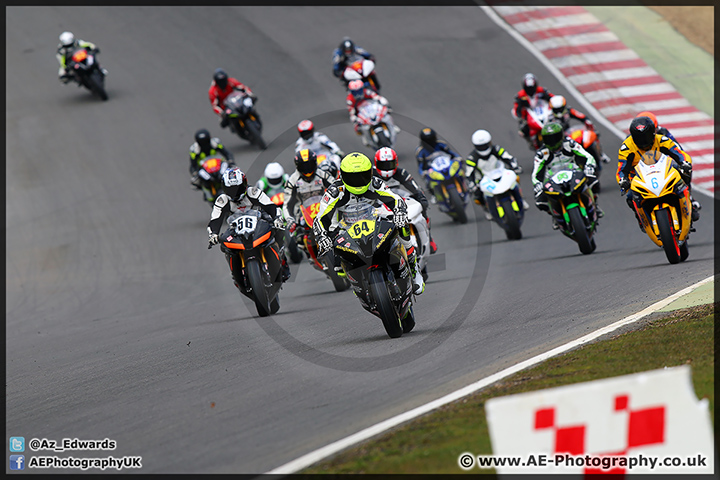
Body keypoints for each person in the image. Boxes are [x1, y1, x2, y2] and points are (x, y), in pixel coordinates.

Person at [313, 152, 425, 295]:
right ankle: (358, 284)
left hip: (375, 220)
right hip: (346, 229)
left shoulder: (375, 183)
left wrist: (400, 213)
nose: (358, 181)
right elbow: (320, 218)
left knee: (402, 224)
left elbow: (395, 199)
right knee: (338, 267)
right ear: (343, 175)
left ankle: (413, 266)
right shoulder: (335, 191)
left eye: (363, 175)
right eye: (353, 177)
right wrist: (322, 236)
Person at [207, 167, 291, 282]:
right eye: (231, 190)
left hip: (258, 221)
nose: (235, 193)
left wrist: (277, 218)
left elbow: (271, 206)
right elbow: (215, 219)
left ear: (244, 184)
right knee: (225, 244)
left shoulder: (253, 192)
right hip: (236, 228)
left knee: (277, 229)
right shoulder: (222, 200)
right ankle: (236, 274)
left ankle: (282, 261)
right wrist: (213, 234)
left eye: (238, 188)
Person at [617, 116, 700, 228]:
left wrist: (685, 163)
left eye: (646, 137)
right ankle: (641, 218)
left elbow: (679, 153)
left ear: (653, 133)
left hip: (663, 170)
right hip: (639, 177)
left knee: (683, 174)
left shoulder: (662, 139)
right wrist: (622, 180)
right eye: (639, 138)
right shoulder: (626, 147)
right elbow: (621, 168)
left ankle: (688, 201)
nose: (644, 142)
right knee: (630, 196)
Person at [531, 122, 601, 229]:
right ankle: (554, 215)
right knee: (540, 201)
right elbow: (536, 173)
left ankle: (595, 204)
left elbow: (587, 156)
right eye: (549, 139)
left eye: (555, 138)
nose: (553, 141)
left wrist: (589, 166)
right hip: (554, 179)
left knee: (593, 181)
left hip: (574, 173)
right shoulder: (542, 154)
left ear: (561, 136)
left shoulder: (570, 144)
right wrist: (537, 184)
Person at [373, 147, 438, 254]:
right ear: (376, 163)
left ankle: (429, 238)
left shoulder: (401, 173)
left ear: (396, 162)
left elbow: (415, 187)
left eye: (390, 164)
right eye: (383, 165)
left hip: (397, 196)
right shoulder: (371, 174)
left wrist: (421, 197)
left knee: (422, 206)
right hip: (378, 200)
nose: (387, 168)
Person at [465, 129, 527, 220]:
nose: (484, 148)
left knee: (515, 178)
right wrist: (471, 184)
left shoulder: (496, 149)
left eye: (485, 145)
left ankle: (521, 198)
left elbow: (508, 157)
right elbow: (469, 172)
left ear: (489, 142)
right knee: (477, 194)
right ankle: (485, 208)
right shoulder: (471, 158)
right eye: (481, 146)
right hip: (484, 178)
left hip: (501, 172)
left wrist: (515, 166)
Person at [283, 149, 335, 239]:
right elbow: (287, 204)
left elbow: (336, 187)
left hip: (323, 209)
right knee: (296, 237)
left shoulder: (323, 175)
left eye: (309, 165)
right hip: (302, 214)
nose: (307, 169)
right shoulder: (292, 181)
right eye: (304, 167)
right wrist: (289, 219)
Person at [550, 95, 610, 165]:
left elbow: (582, 116)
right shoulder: (550, 118)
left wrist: (588, 123)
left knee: (593, 135)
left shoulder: (569, 111)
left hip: (570, 133)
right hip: (560, 137)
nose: (558, 112)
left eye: (560, 109)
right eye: (556, 110)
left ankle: (601, 154)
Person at [512, 73, 554, 150]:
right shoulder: (520, 96)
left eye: (532, 88)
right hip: (528, 114)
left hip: (541, 110)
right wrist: (521, 116)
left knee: (556, 119)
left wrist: (548, 98)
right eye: (528, 89)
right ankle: (530, 141)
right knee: (523, 130)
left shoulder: (542, 90)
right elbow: (516, 110)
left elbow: (553, 99)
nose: (530, 91)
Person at [414, 127, 463, 193]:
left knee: (460, 172)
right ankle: (434, 194)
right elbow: (420, 166)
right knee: (428, 183)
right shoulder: (420, 151)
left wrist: (458, 158)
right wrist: (423, 173)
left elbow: (451, 153)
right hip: (432, 170)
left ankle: (464, 185)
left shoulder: (441, 144)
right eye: (427, 141)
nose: (430, 142)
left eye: (431, 139)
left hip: (446, 164)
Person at [346, 80, 393, 145]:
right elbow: (351, 111)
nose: (357, 93)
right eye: (355, 92)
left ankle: (392, 126)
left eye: (359, 91)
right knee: (357, 128)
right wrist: (354, 118)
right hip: (361, 112)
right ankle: (365, 137)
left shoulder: (367, 92)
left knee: (387, 112)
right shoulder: (350, 99)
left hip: (372, 108)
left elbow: (378, 97)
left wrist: (385, 103)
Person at [189, 129, 236, 195]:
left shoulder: (215, 143)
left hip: (218, 165)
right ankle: (207, 193)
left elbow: (226, 153)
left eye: (206, 141)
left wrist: (230, 161)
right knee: (196, 182)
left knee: (234, 171)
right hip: (204, 168)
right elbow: (193, 164)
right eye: (202, 142)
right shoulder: (194, 150)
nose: (204, 144)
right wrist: (194, 173)